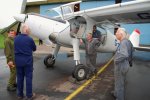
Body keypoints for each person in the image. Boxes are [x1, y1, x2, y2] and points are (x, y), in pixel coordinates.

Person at [14, 23, 36, 99]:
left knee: (19, 78)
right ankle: (29, 95)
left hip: (18, 62)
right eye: (29, 30)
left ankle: (20, 95)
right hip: (27, 62)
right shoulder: (29, 39)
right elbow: (34, 48)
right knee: (28, 78)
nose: (29, 31)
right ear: (26, 30)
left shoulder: (15, 38)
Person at [113, 28, 133, 100]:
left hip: (120, 66)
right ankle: (116, 93)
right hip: (125, 65)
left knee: (119, 85)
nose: (115, 34)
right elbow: (131, 51)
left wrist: (116, 60)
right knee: (119, 82)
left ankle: (119, 97)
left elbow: (124, 54)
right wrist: (130, 62)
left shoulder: (123, 42)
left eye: (117, 33)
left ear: (121, 34)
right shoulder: (128, 42)